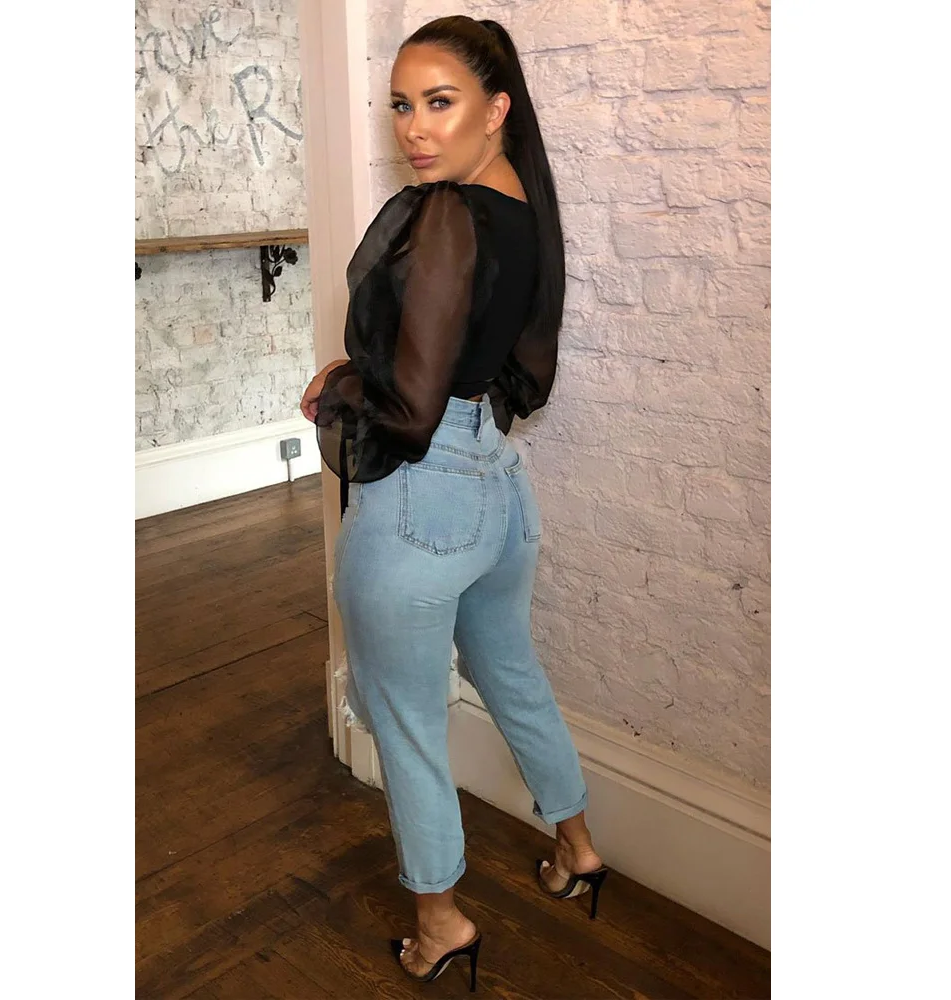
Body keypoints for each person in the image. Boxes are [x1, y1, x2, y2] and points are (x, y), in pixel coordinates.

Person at [300, 15, 607, 990]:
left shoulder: (445, 214)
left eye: (441, 102)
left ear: (496, 106)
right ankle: (578, 845)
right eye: (401, 104)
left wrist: (342, 384)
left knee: (404, 718)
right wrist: (365, 372)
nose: (415, 128)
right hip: (498, 487)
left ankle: (440, 920)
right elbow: (488, 363)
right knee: (510, 670)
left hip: (423, 499)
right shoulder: (522, 205)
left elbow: (410, 401)